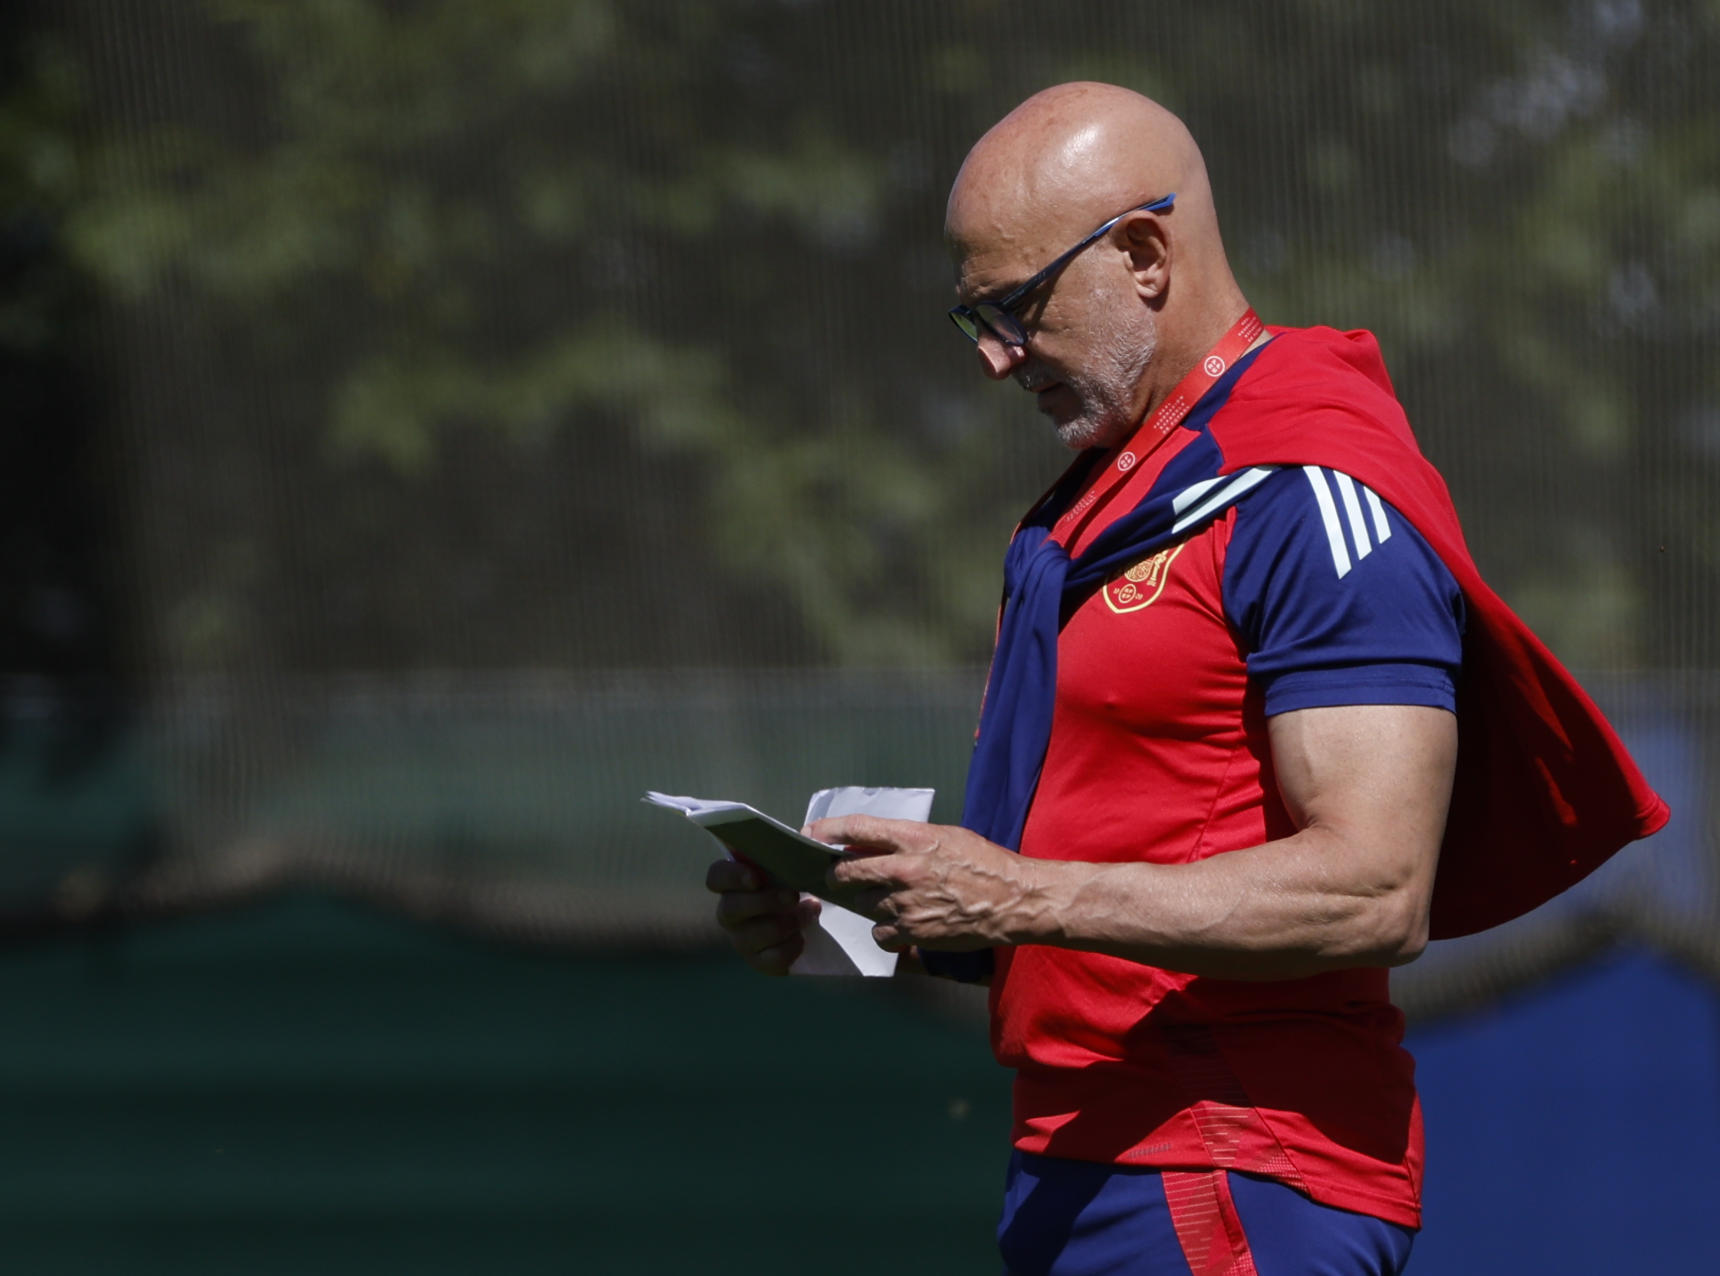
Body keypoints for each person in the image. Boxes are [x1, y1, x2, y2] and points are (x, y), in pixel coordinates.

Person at [705, 82, 1667, 1276]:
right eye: (972, 322)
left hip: (1232, 1165)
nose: (996, 362)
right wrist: (860, 909)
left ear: (1145, 254)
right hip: (1083, 1164)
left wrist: (1014, 895)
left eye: (1014, 309)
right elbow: (1084, 864)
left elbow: (1374, 889)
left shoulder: (1305, 487)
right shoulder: (1093, 505)